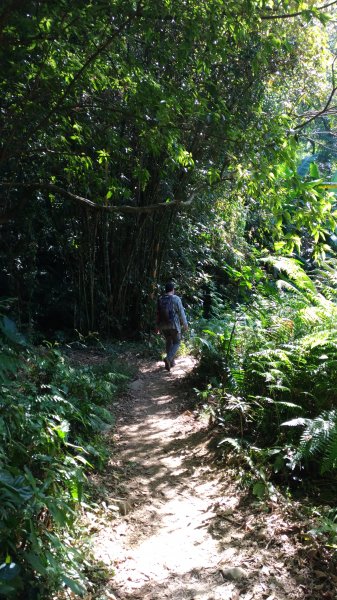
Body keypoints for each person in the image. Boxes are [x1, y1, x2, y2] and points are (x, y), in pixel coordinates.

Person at [157, 281, 188, 371]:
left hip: (163, 325)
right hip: (173, 325)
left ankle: (171, 363)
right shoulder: (176, 299)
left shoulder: (160, 299)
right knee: (177, 342)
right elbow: (181, 312)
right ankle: (169, 358)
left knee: (168, 341)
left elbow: (157, 314)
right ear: (173, 290)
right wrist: (185, 324)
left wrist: (157, 326)